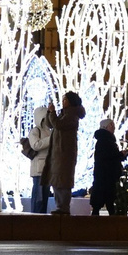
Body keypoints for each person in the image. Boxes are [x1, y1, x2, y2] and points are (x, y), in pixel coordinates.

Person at [47, 90, 84, 218]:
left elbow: (58, 124)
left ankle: (63, 207)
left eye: (65, 100)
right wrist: (49, 113)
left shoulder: (72, 116)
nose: (63, 102)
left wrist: (52, 113)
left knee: (63, 182)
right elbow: (51, 124)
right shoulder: (64, 114)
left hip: (65, 154)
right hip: (58, 154)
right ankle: (59, 206)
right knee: (57, 181)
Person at [21, 98, 57, 214]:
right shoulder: (35, 131)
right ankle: (36, 218)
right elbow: (35, 145)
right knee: (39, 197)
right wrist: (50, 140)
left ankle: (41, 217)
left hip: (47, 167)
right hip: (39, 169)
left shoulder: (50, 131)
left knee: (44, 197)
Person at [90, 119, 124, 216]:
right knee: (108, 199)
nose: (114, 127)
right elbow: (109, 156)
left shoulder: (105, 140)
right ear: (105, 127)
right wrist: (120, 154)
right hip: (106, 175)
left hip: (105, 174)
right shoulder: (105, 141)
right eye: (111, 125)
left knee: (103, 200)